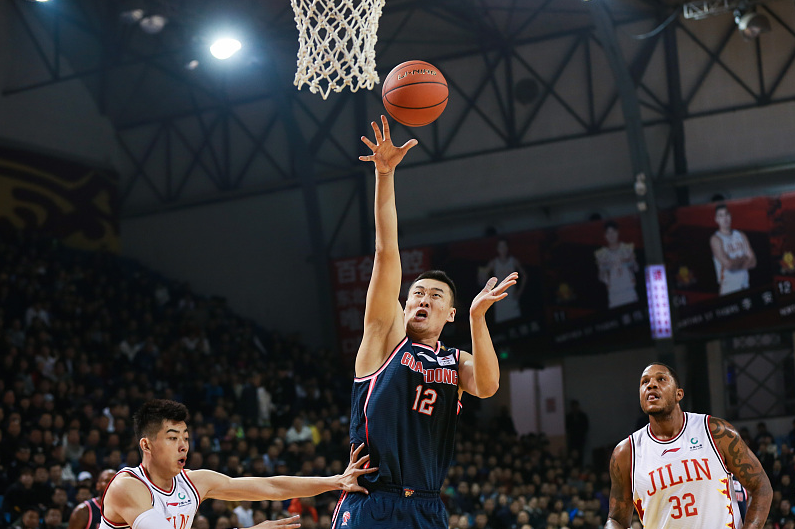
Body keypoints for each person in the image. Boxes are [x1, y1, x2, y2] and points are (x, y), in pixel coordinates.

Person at [330, 116, 518, 529]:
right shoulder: (384, 338)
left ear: (450, 313)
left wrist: (477, 318)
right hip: (373, 500)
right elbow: (386, 252)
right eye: (416, 293)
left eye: (435, 296)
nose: (423, 300)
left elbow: (487, 386)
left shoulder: (453, 360)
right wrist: (385, 175)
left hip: (428, 506)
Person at [100, 399, 375, 529]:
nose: (183, 445)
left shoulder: (194, 481)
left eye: (185, 436)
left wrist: (336, 481)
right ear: (146, 445)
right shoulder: (128, 487)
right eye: (172, 438)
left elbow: (270, 487)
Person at [604, 362, 772, 528]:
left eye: (661, 379)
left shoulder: (716, 432)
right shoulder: (626, 453)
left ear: (679, 394)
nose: (651, 385)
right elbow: (616, 519)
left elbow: (761, 487)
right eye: (644, 382)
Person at [710, 203, 756, 295]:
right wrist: (744, 258)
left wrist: (734, 262)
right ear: (717, 219)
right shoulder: (716, 239)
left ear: (730, 216)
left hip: (745, 286)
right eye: (721, 216)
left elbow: (753, 262)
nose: (725, 218)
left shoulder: (740, 235)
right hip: (728, 289)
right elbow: (728, 265)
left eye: (726, 214)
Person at [479, 240, 526, 323]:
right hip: (500, 299)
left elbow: (524, 275)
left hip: (512, 296)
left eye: (504, 247)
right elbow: (482, 274)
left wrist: (519, 291)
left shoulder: (513, 261)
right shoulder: (494, 262)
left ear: (507, 248)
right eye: (500, 247)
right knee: (503, 323)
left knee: (516, 322)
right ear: (497, 249)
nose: (503, 249)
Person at [594, 221, 638, 309]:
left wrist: (632, 260)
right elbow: (601, 277)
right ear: (605, 235)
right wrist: (602, 267)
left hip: (629, 290)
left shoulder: (627, 248)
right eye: (608, 233)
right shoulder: (601, 254)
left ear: (617, 232)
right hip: (614, 294)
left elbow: (636, 269)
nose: (611, 235)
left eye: (613, 232)